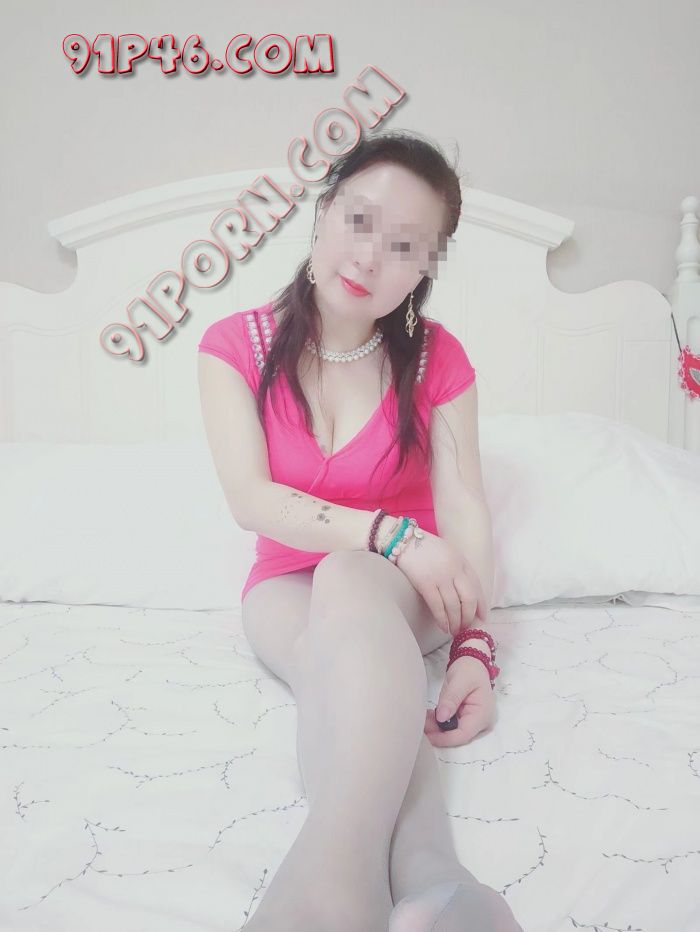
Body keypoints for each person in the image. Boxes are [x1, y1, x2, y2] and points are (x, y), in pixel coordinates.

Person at [197, 130, 523, 932]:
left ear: (424, 270)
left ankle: (330, 889)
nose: (371, 256)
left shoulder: (438, 359)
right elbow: (251, 499)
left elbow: (465, 507)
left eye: (405, 245)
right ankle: (439, 880)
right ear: (323, 214)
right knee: (333, 674)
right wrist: (387, 532)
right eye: (359, 219)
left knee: (347, 577)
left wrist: (475, 645)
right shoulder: (234, 346)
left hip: (401, 588)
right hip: (284, 581)